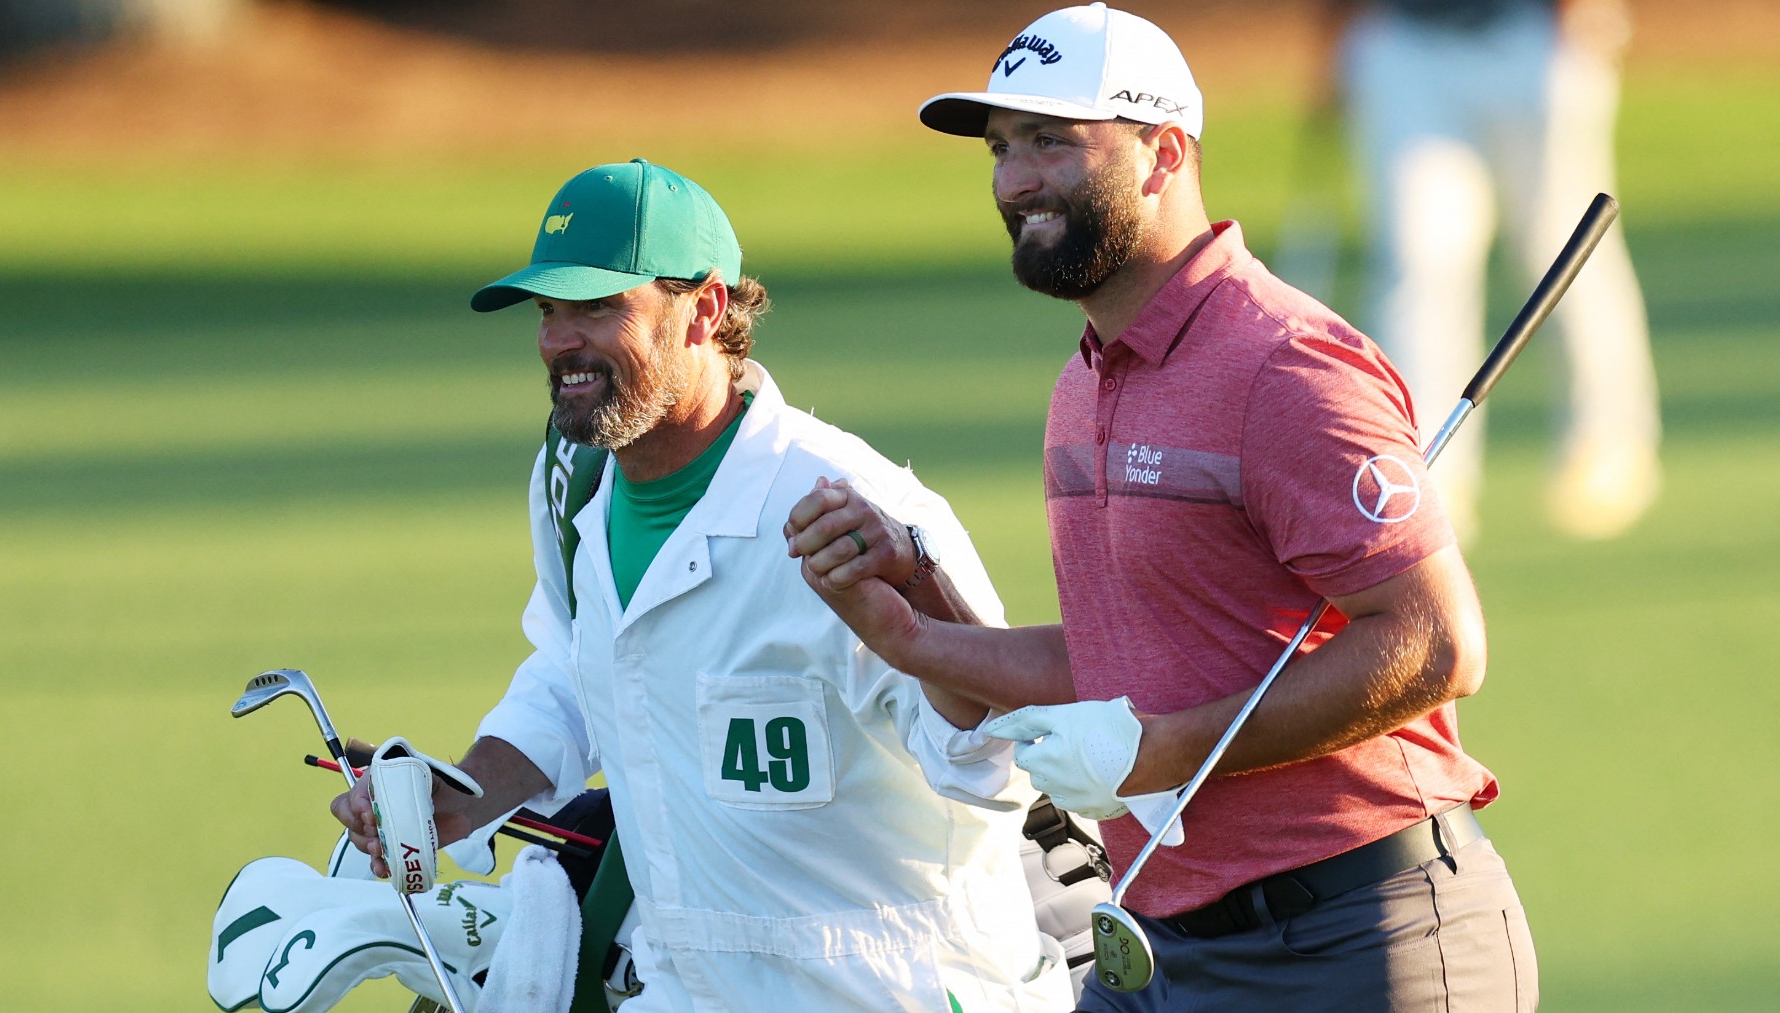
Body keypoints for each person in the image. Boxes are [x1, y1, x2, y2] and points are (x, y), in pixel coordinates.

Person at [787, 4, 1537, 1009]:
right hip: (1163, 946)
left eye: (1054, 141)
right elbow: (1122, 662)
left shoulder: (1288, 370)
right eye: (1004, 149)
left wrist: (1168, 747)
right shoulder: (1084, 384)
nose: (1015, 180)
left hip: (1362, 940)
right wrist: (913, 632)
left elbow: (1440, 643)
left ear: (1162, 153)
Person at [329, 158, 1074, 1012]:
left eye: (600, 307)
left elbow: (990, 762)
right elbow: (580, 667)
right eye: (548, 310)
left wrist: (919, 590)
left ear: (706, 310)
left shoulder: (855, 511)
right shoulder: (571, 479)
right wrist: (464, 792)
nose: (558, 339)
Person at [1330, 0, 1660, 539]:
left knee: (1566, 249)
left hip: (1535, 36)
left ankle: (1609, 442)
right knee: (1422, 254)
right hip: (1404, 41)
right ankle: (1430, 469)